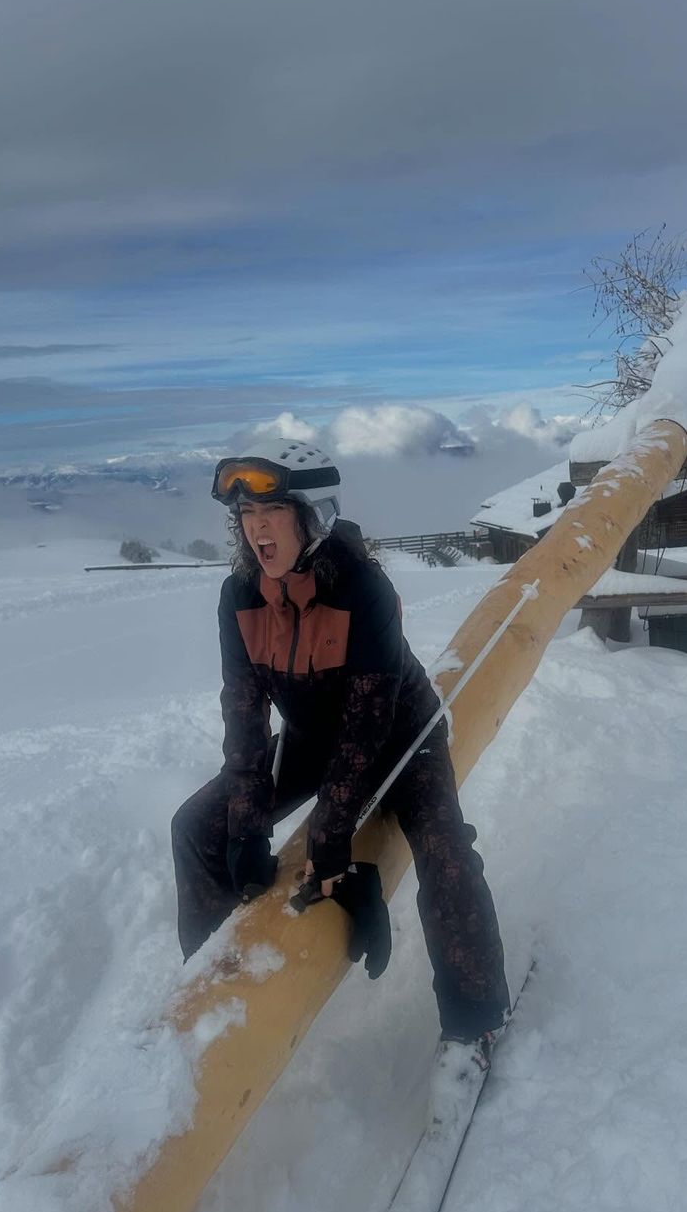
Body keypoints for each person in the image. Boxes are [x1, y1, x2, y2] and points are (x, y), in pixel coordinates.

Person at [171, 440, 510, 1060]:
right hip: (312, 740)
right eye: (245, 516)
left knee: (445, 850)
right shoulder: (240, 597)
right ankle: (218, 990)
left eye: (271, 513)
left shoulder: (362, 589)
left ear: (313, 515)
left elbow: (366, 726)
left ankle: (477, 1019)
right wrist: (246, 831)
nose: (257, 531)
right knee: (196, 828)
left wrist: (329, 850)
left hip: (401, 736)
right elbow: (243, 713)